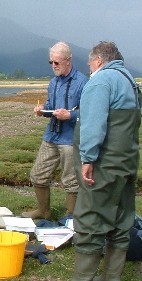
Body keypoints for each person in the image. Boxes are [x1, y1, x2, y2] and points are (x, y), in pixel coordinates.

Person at [72, 41, 141, 280]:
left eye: (90, 63)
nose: (89, 68)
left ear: (99, 60)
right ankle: (111, 277)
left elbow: (94, 124)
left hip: (104, 167)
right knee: (121, 225)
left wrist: (88, 159)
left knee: (91, 223)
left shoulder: (101, 81)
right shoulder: (130, 82)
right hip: (126, 165)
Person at [22, 41, 88, 219]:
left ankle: (71, 217)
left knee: (71, 181)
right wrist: (42, 109)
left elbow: (90, 111)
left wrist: (70, 116)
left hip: (70, 138)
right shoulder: (53, 83)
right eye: (51, 62)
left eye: (57, 62)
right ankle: (43, 212)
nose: (53, 66)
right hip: (51, 136)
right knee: (37, 175)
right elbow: (51, 106)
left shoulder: (83, 82)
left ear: (68, 60)